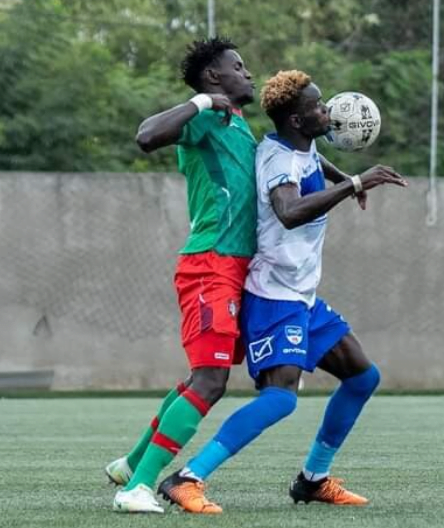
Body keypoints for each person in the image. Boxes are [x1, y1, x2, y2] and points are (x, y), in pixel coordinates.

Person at [157, 70, 408, 514]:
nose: (325, 111)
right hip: (274, 298)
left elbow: (314, 162)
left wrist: (344, 178)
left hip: (302, 297)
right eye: (316, 106)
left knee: (362, 376)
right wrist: (353, 185)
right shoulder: (277, 162)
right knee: (279, 399)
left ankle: (312, 480)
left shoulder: (302, 146)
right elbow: (289, 211)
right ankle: (187, 477)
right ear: (295, 119)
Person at [106, 37, 258, 514]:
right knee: (211, 382)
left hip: (233, 267)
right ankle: (138, 489)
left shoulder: (239, 124)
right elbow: (146, 136)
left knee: (202, 375)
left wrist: (349, 181)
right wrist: (197, 102)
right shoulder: (206, 117)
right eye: (238, 66)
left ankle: (132, 464)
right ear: (214, 77)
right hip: (210, 262)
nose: (248, 73)